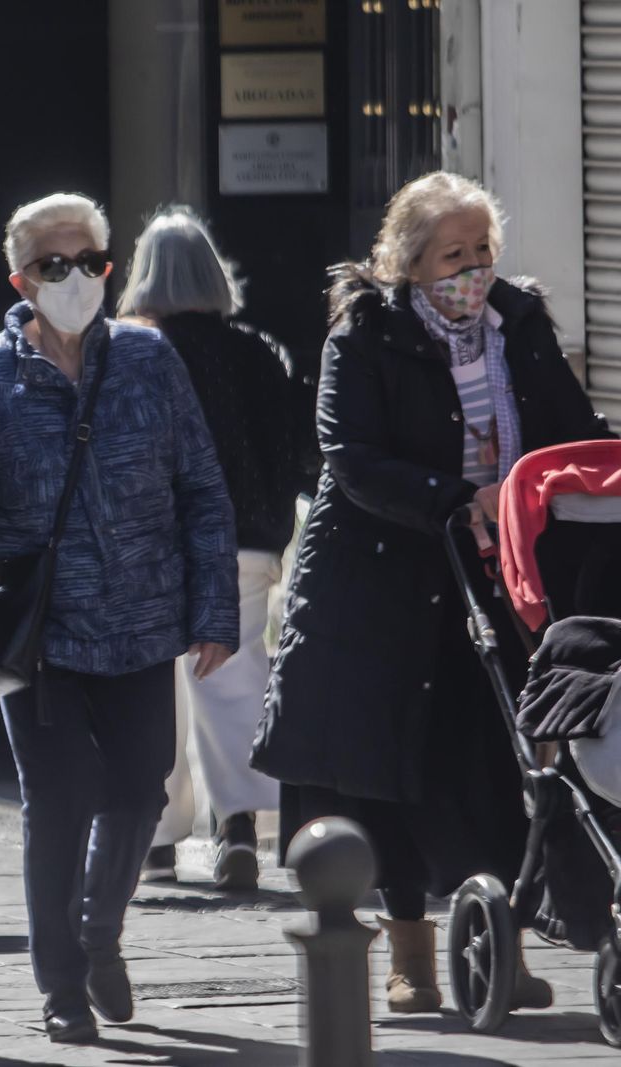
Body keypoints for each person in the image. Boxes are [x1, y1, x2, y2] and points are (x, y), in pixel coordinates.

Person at [254, 171, 608, 1014]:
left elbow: (568, 426)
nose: (474, 269)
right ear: (410, 262)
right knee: (390, 769)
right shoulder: (366, 332)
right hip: (380, 582)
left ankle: (505, 948)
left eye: (483, 249)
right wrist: (453, 500)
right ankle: (410, 956)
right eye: (454, 254)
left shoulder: (518, 322)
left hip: (496, 578)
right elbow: (350, 453)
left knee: (504, 762)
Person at [0, 193, 239, 1045]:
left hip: (144, 618)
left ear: (110, 268)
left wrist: (213, 606)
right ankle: (61, 983)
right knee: (58, 802)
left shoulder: (148, 357)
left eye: (86, 262)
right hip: (43, 635)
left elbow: (202, 488)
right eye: (50, 264)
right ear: (20, 278)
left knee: (142, 789)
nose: (70, 277)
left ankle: (99, 931)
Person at [115, 207, 299, 891]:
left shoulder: (129, 347)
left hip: (152, 541)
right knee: (232, 675)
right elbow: (287, 453)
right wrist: (274, 536)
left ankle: (159, 836)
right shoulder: (256, 351)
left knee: (155, 682)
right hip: (244, 542)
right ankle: (239, 826)